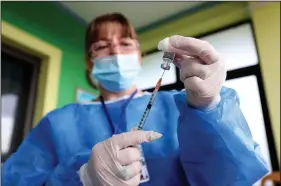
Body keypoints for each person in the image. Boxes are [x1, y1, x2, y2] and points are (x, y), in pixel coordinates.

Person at [2, 13, 268, 186]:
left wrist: (208, 107)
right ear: (89, 60)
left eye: (126, 43)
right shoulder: (58, 123)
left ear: (139, 56)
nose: (116, 51)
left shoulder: (182, 107)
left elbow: (232, 179)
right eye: (102, 45)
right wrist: (81, 178)